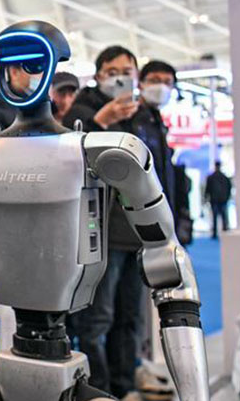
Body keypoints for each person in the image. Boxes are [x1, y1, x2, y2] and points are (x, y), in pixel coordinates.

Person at [64, 50, 178, 398]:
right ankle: (100, 389)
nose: (119, 78)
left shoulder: (145, 116)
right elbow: (68, 156)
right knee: (98, 319)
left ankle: (125, 385)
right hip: (102, 234)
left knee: (131, 318)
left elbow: (160, 173)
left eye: (126, 71)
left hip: (140, 232)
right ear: (98, 75)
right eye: (111, 71)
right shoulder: (84, 109)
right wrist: (102, 121)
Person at [204, 161, 233, 239]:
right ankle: (225, 231)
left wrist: (206, 198)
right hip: (222, 199)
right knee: (223, 216)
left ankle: (215, 233)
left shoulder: (211, 177)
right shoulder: (225, 177)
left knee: (215, 217)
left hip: (215, 199)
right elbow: (229, 188)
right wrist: (227, 197)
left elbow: (207, 189)